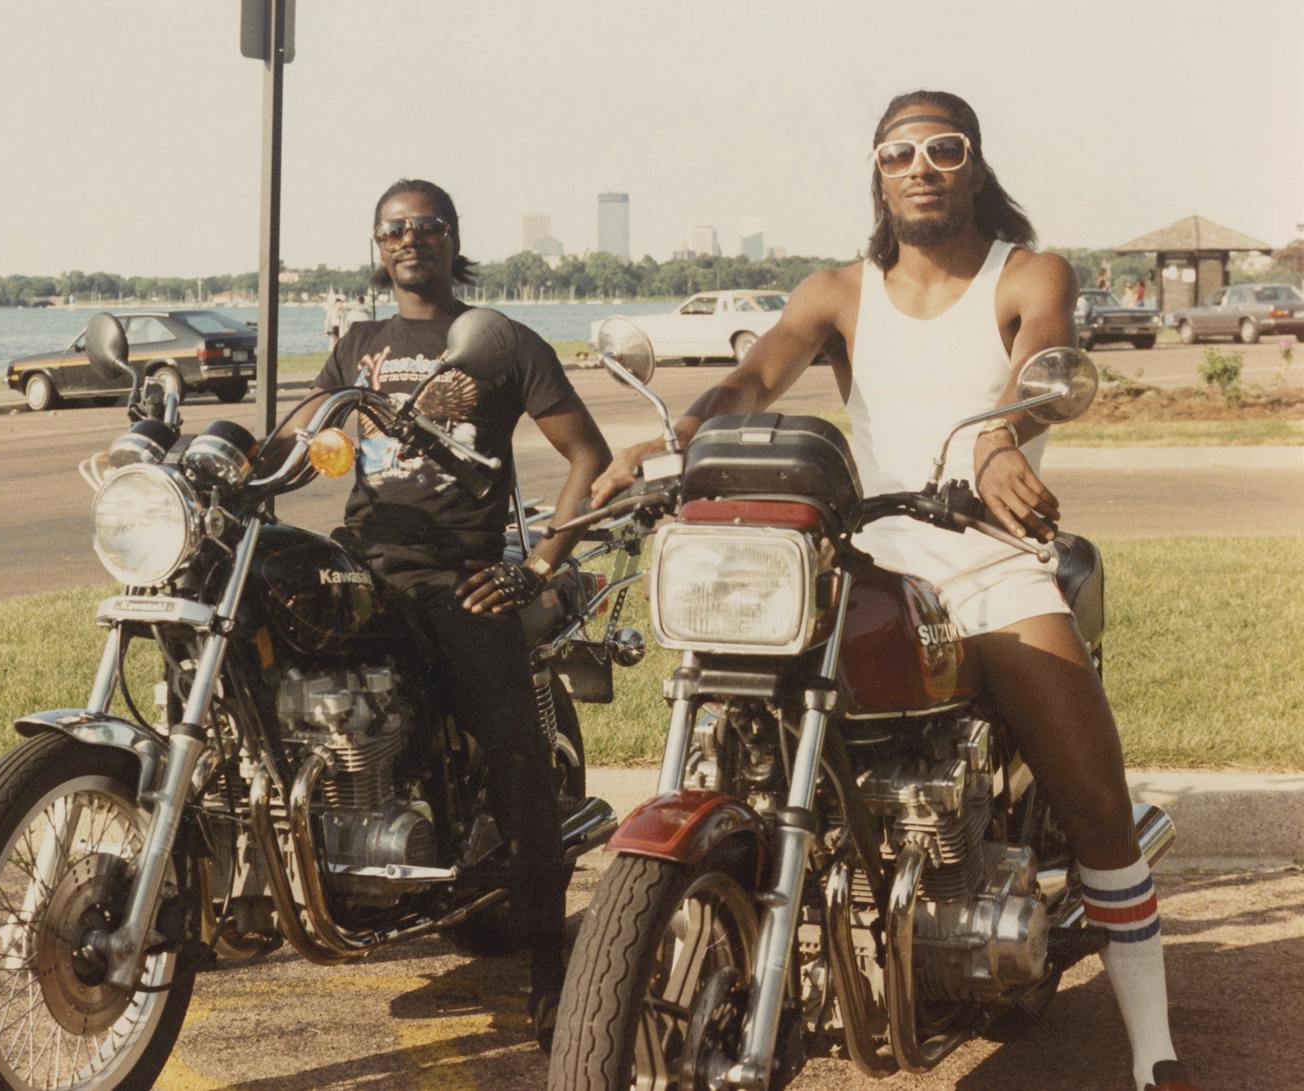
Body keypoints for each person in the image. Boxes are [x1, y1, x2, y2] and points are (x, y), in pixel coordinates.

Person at [591, 91, 1198, 1091]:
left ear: (971, 162)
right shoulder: (835, 289)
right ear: (875, 172)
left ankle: (1153, 1049)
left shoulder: (1025, 270)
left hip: (982, 549)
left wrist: (1000, 431)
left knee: (1094, 801)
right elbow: (753, 379)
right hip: (860, 549)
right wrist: (673, 436)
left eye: (941, 147)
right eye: (897, 152)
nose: (920, 165)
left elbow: (1042, 358)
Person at [267, 178, 610, 1049]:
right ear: (377, 247)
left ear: (452, 239)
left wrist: (533, 568)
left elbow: (589, 458)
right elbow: (304, 435)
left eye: (425, 226)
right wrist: (232, 464)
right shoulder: (359, 344)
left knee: (515, 752)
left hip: (461, 573)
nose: (409, 238)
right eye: (393, 228)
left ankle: (549, 961)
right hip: (366, 563)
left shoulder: (498, 341)